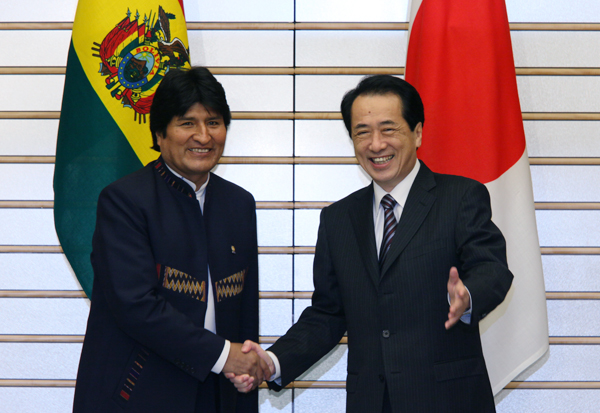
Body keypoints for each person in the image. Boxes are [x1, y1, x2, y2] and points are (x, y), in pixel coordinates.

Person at [228, 75, 513, 412]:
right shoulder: (338, 219)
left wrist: (468, 296)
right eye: (362, 132)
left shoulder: (461, 197)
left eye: (388, 129)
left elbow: (492, 268)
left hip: (448, 400)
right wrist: (272, 361)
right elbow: (328, 314)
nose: (376, 144)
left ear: (418, 132)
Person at [73, 67, 271, 412]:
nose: (203, 136)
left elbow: (243, 310)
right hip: (139, 394)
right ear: (160, 133)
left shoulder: (239, 203)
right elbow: (136, 305)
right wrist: (225, 356)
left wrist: (246, 369)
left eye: (213, 122)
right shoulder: (123, 200)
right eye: (187, 123)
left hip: (219, 392)